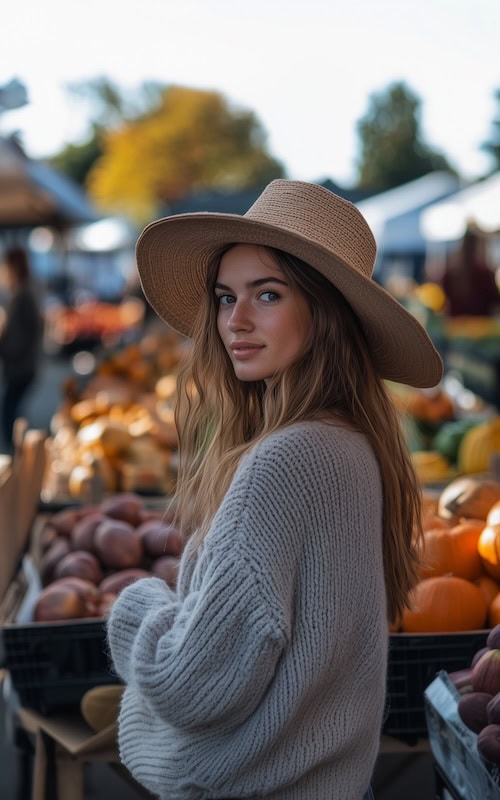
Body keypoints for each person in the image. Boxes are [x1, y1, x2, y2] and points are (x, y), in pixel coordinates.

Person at [107, 180, 443, 800]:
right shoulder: (350, 444)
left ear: (325, 312)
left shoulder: (284, 462)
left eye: (267, 294)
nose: (235, 320)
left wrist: (136, 605)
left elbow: (190, 683)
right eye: (225, 296)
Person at [0, 245, 44, 452]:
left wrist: (4, 343)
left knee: (10, 412)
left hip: (22, 366)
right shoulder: (25, 292)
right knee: (13, 410)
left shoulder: (23, 295)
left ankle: (18, 456)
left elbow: (20, 337)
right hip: (24, 365)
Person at [440, 225, 500, 317]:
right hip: (481, 326)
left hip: (455, 325)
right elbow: (495, 300)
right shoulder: (484, 273)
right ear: (478, 247)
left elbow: (443, 303)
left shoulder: (449, 273)